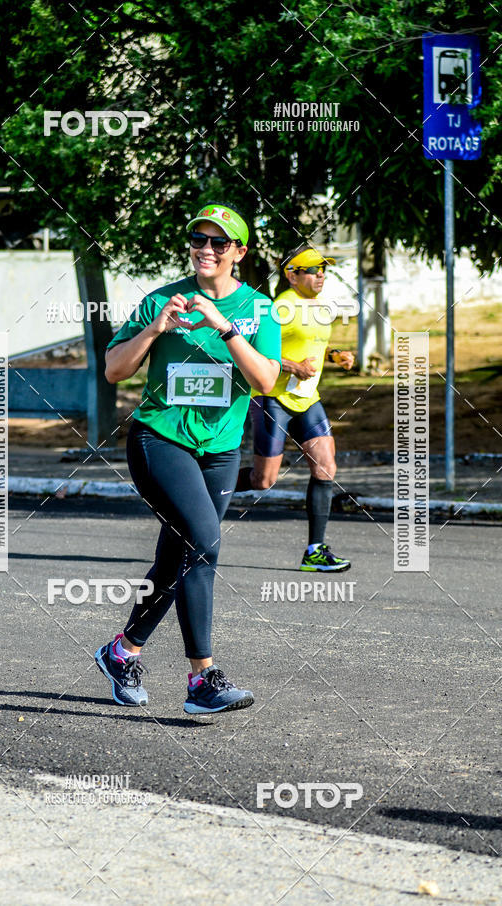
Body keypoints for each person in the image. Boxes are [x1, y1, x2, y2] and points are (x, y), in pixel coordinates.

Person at [95, 202, 281, 713]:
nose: (206, 249)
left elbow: (266, 381)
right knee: (204, 543)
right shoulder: (161, 300)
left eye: (219, 242)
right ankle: (202, 679)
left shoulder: (260, 309)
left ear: (239, 252)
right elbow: (114, 370)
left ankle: (122, 651)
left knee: (176, 556)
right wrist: (155, 328)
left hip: (220, 452)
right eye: (199, 240)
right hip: (160, 440)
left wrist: (225, 327)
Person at [236, 244, 354, 572]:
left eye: (323, 269)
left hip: (307, 398)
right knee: (263, 480)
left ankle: (315, 551)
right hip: (273, 398)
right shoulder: (280, 307)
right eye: (313, 270)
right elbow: (254, 350)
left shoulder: (319, 306)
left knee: (325, 467)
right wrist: (293, 367)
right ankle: (205, 487)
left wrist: (336, 355)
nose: (321, 275)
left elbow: (314, 343)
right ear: (292, 275)